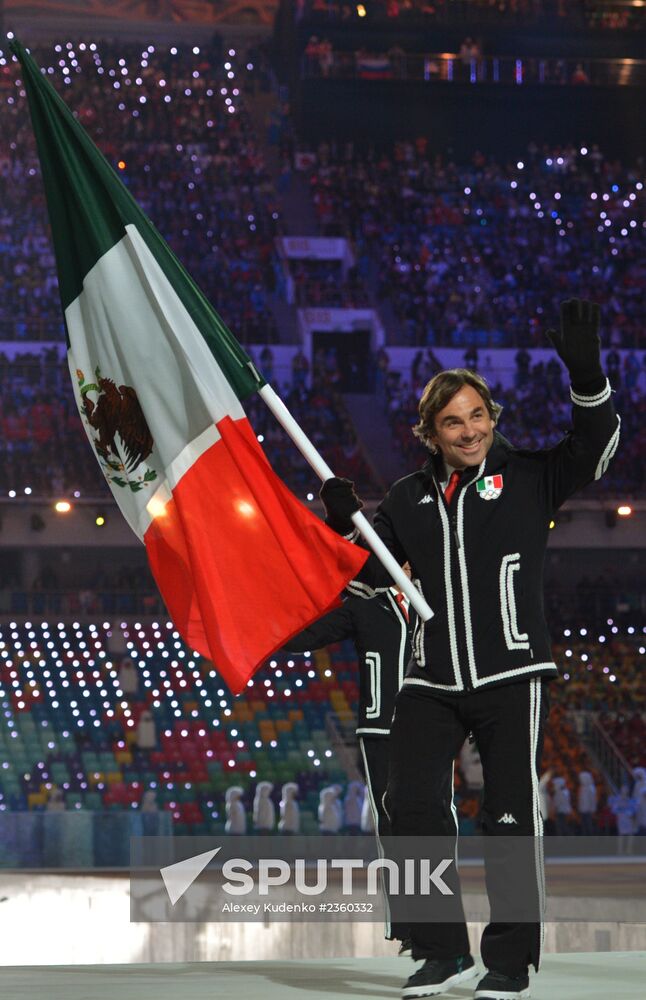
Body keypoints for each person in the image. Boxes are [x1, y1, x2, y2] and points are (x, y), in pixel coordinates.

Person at [320, 299, 619, 1000]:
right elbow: (372, 573)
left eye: (478, 416)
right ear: (430, 432)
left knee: (511, 813)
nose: (470, 430)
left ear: (494, 420)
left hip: (513, 672)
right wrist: (346, 523)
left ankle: (508, 964)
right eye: (453, 421)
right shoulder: (406, 498)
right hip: (430, 677)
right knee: (411, 804)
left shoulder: (531, 477)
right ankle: (440, 950)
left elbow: (598, 444)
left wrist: (585, 372)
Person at [285, 567, 416, 946]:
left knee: (435, 821)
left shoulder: (439, 607)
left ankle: (435, 920)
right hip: (380, 729)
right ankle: (405, 923)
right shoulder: (367, 608)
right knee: (391, 823)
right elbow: (311, 635)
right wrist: (264, 625)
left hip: (433, 730)